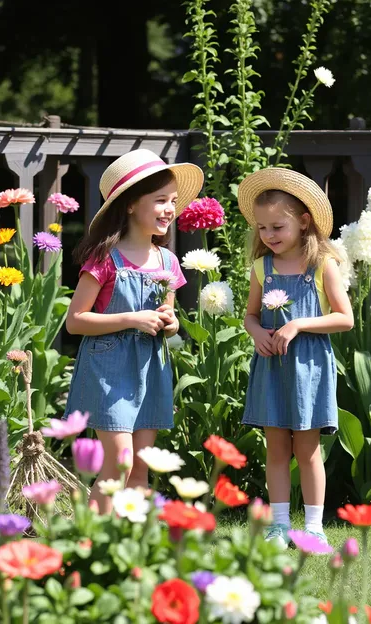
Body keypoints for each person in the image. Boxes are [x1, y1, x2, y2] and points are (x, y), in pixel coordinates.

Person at [64, 148, 204, 512]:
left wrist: (169, 323)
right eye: (160, 200)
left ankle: (133, 549)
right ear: (129, 205)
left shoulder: (167, 261)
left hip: (150, 370)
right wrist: (131, 319)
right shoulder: (104, 259)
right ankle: (91, 541)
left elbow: (167, 316)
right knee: (120, 461)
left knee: (141, 465)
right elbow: (76, 320)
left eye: (173, 200)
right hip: (109, 372)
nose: (170, 209)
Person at [238, 168, 354, 548]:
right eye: (262, 228)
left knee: (307, 450)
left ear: (304, 222)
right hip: (272, 367)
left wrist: (298, 325)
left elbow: (345, 318)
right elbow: (250, 315)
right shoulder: (262, 269)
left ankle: (315, 527)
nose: (269, 236)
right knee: (276, 448)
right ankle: (279, 525)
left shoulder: (321, 266)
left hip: (309, 369)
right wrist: (257, 333)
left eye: (277, 227)